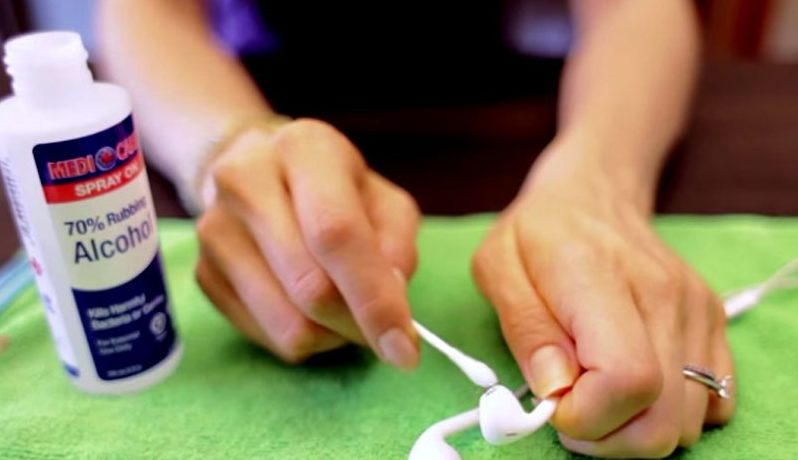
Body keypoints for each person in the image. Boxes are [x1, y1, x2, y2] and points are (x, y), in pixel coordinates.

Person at [96, 0, 734, 457]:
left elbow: (635, 11)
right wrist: (224, 150)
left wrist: (599, 178)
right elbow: (145, 13)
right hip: (249, 83)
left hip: (511, 109)